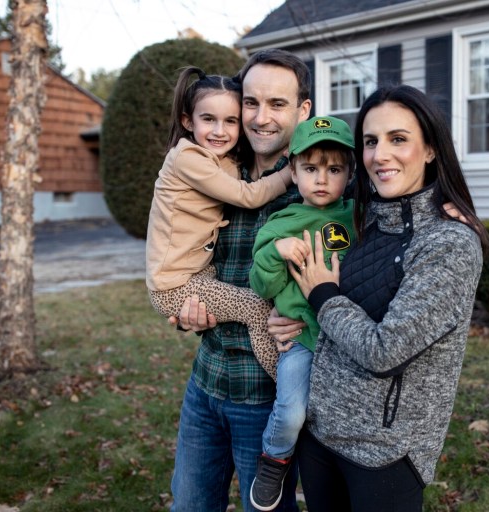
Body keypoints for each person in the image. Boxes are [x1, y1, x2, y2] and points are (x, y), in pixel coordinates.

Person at [281, 85, 489, 512]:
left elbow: (385, 351)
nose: (381, 155)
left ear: (431, 149)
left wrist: (321, 295)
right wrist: (286, 314)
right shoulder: (358, 218)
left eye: (399, 139)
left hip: (386, 454)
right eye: (371, 141)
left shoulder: (448, 243)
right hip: (320, 437)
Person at [169, 50, 311, 512]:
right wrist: (183, 309)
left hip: (264, 396)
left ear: (302, 111)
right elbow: (178, 244)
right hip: (206, 382)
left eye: (277, 104)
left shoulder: (319, 185)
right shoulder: (217, 166)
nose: (261, 117)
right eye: (251, 103)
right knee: (189, 505)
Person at [146, 66, 291, 379]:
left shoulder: (221, 159)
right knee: (254, 307)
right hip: (175, 285)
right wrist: (289, 172)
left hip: (198, 274)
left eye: (230, 121)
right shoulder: (187, 158)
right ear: (188, 121)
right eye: (208, 119)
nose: (219, 131)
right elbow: (248, 195)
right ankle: (286, 385)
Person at [247, 116, 356, 510]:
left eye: (334, 169)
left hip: (351, 340)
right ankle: (274, 460)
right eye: (310, 168)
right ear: (292, 171)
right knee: (292, 412)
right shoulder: (280, 224)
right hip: (303, 339)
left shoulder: (360, 216)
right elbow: (263, 286)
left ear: (350, 173)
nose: (322, 179)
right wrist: (277, 254)